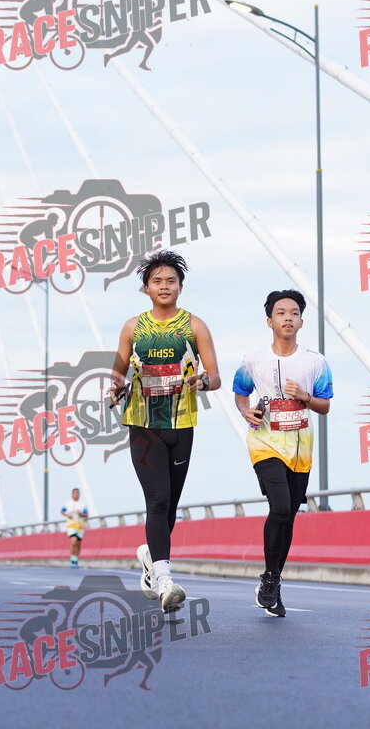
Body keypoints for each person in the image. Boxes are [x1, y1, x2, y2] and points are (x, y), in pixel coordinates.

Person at [108, 250, 221, 611]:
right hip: (143, 423)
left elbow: (215, 376)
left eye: (171, 280)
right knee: (157, 500)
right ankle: (165, 582)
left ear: (180, 287)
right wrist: (115, 387)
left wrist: (203, 381)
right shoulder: (132, 327)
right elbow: (117, 372)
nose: (164, 286)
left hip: (182, 423)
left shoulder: (195, 326)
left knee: (169, 504)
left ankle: (151, 559)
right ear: (146, 288)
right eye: (157, 281)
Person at [233, 290, 333, 617]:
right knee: (279, 507)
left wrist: (304, 396)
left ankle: (273, 579)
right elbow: (240, 394)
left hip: (300, 446)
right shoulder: (253, 360)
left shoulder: (316, 362)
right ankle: (269, 578)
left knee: (288, 514)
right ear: (269, 321)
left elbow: (325, 406)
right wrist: (246, 411)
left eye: (294, 313)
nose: (288, 317)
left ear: (301, 321)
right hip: (265, 442)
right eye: (280, 313)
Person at [61, 488, 89, 568]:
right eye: (74, 493)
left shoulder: (83, 504)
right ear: (72, 494)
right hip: (71, 525)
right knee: (73, 541)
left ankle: (76, 560)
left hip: (80, 526)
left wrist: (80, 513)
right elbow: (62, 511)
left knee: (78, 544)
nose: (76, 494)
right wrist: (67, 515)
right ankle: (73, 560)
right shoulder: (67, 503)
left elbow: (86, 515)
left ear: (79, 494)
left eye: (77, 493)